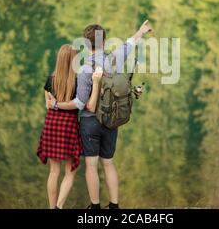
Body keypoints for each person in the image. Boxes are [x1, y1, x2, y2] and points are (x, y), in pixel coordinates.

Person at [48, 20, 152, 209]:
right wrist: (142, 31)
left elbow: (80, 103)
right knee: (109, 163)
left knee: (91, 165)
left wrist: (56, 104)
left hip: (90, 123)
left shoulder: (85, 69)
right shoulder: (115, 58)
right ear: (104, 42)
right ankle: (114, 206)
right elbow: (130, 43)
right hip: (112, 120)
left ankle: (95, 207)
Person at [36, 44, 103, 209]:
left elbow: (48, 105)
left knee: (53, 172)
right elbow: (81, 104)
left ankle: (52, 208)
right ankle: (59, 206)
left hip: (51, 125)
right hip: (68, 126)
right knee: (70, 171)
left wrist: (55, 104)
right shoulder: (77, 80)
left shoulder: (51, 79)